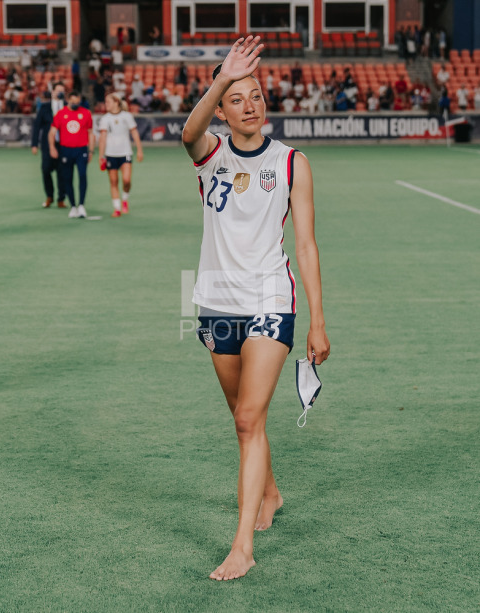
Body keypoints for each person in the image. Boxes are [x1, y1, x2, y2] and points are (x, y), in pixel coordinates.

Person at [181, 35, 330, 581]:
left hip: (271, 298)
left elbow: (307, 245)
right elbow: (186, 132)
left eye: (257, 95)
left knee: (248, 418)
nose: (250, 105)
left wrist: (317, 318)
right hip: (216, 303)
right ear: (222, 108)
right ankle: (269, 490)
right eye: (237, 98)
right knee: (245, 419)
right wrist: (222, 76)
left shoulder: (292, 163)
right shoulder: (210, 154)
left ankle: (241, 546)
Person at [49, 90, 95, 219]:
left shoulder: (85, 113)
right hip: (66, 150)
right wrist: (52, 147)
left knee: (82, 175)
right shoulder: (61, 114)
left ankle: (81, 205)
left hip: (81, 150)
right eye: (72, 101)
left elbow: (91, 133)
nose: (75, 104)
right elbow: (52, 132)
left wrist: (91, 150)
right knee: (67, 178)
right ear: (68, 100)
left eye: (77, 102)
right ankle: (73, 206)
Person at [98, 93, 143, 217]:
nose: (106, 104)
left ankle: (125, 199)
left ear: (116, 102)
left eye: (108, 102)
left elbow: (134, 133)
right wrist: (101, 156)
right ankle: (117, 208)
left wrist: (139, 150)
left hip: (125, 152)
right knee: (113, 181)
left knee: (126, 180)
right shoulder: (105, 118)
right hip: (110, 154)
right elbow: (102, 138)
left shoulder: (126, 116)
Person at [31, 82, 67, 209]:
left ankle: (61, 198)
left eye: (62, 91)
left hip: (64, 145)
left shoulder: (68, 107)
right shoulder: (45, 107)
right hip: (47, 145)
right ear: (53, 92)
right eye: (58, 90)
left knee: (62, 172)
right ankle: (49, 196)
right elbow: (37, 126)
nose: (60, 93)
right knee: (46, 169)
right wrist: (34, 144)